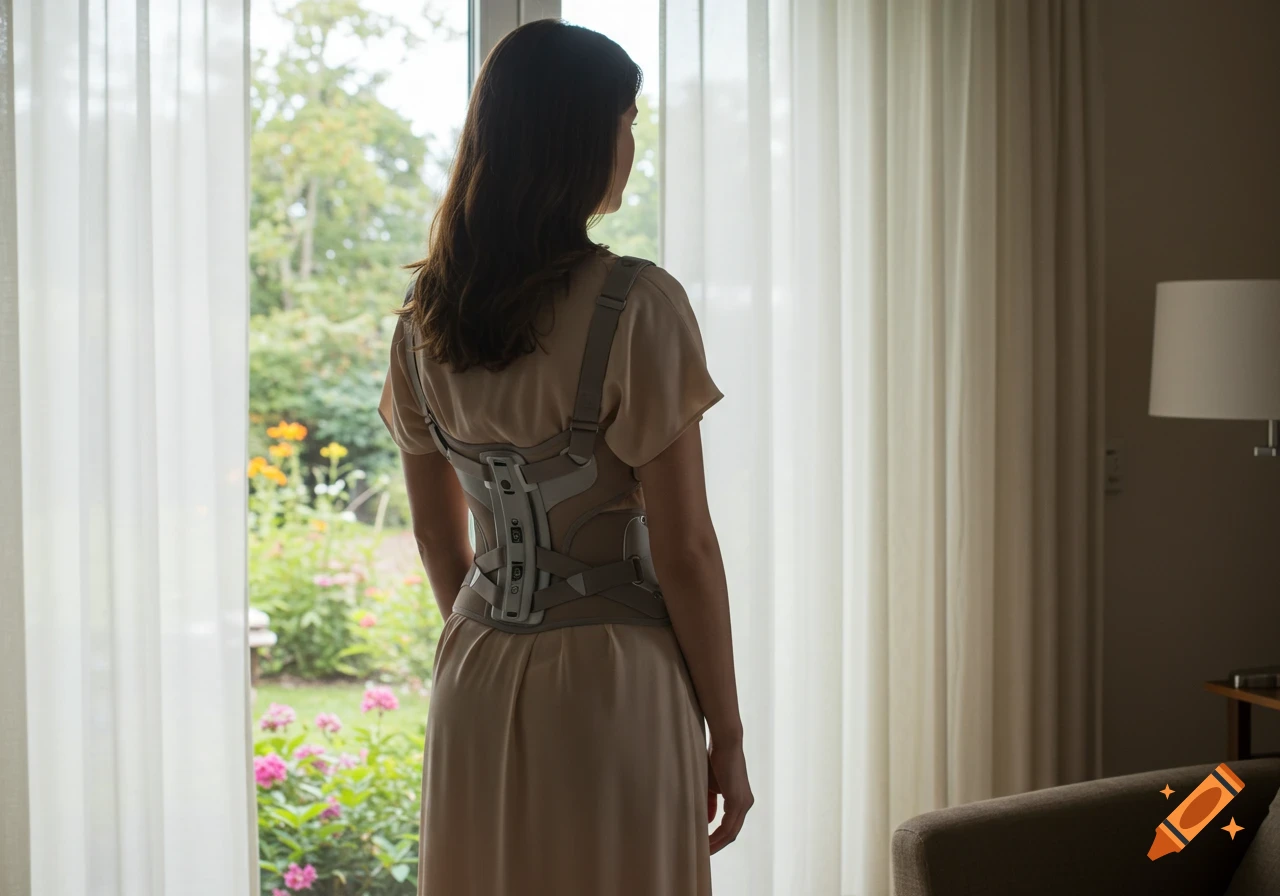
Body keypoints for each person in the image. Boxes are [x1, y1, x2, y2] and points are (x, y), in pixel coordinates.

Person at [377, 18, 751, 896]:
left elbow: (438, 538)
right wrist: (726, 740)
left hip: (475, 669)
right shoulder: (639, 307)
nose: (630, 143)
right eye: (625, 120)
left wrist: (501, 634)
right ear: (580, 138)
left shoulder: (423, 320)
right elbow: (687, 549)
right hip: (612, 681)